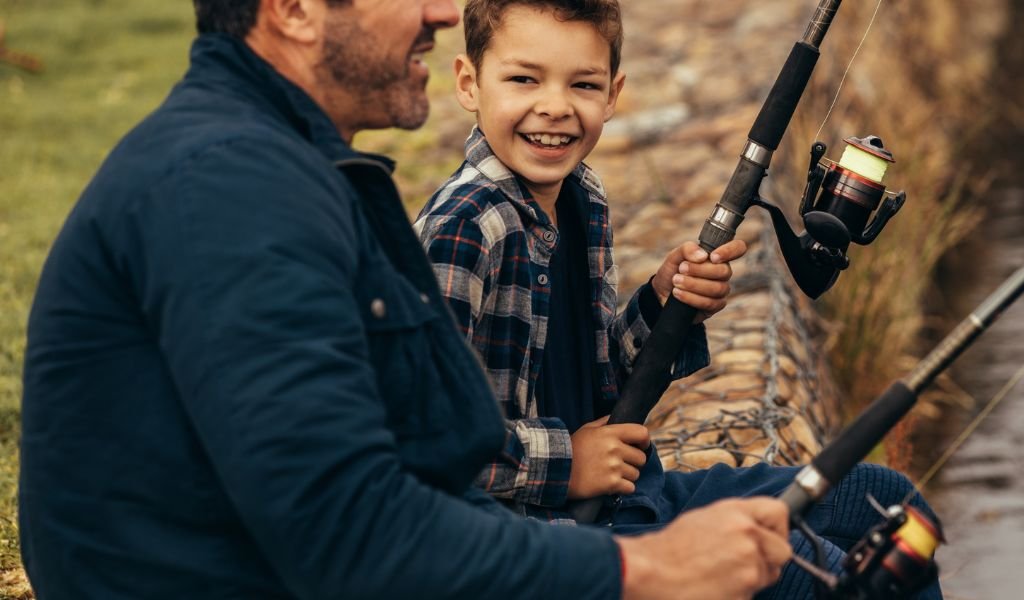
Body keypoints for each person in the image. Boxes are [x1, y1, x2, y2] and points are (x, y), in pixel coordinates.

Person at [18, 0, 791, 598]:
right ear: (294, 9)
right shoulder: (231, 191)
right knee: (810, 566)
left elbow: (411, 449)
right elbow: (353, 527)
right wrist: (642, 572)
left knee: (867, 502)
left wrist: (660, 309)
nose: (441, 13)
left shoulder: (284, 165)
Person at [413, 2, 942, 598]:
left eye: (582, 84)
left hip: (630, 499)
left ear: (612, 95)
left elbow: (603, 384)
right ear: (468, 83)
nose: (555, 106)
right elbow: (423, 438)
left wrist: (664, 306)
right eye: (523, 79)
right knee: (796, 568)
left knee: (885, 503)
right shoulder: (463, 231)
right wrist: (570, 462)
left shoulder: (582, 195)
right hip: (542, 538)